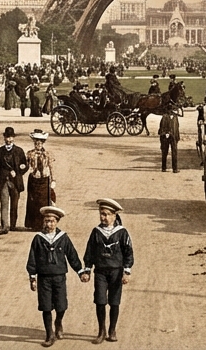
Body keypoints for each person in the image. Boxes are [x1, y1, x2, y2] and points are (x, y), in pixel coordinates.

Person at [26, 205, 83, 347]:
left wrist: (80, 271)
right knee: (45, 306)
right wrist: (32, 277)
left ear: (57, 222)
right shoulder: (38, 239)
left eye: (52, 221)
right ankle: (49, 334)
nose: (49, 224)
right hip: (44, 278)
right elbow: (32, 258)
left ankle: (58, 322)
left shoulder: (63, 238)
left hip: (59, 277)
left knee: (61, 305)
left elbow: (72, 255)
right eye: (46, 221)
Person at [80, 198, 134, 344]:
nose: (104, 217)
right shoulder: (96, 232)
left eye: (107, 214)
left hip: (116, 272)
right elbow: (89, 252)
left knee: (114, 302)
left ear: (114, 215)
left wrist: (126, 272)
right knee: (100, 300)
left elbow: (128, 253)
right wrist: (87, 270)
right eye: (101, 214)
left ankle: (112, 330)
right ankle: (101, 331)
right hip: (100, 272)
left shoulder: (122, 232)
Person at [0, 127, 29, 235]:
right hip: (3, 182)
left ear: (14, 138)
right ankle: (4, 226)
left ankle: (13, 225)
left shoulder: (19, 151)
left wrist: (18, 172)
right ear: (4, 138)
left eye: (11, 137)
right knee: (4, 204)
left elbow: (25, 165)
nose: (9, 140)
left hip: (16, 182)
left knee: (14, 205)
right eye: (7, 137)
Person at [24, 130, 55, 230]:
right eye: (36, 143)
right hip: (34, 180)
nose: (38, 145)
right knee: (33, 202)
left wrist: (53, 180)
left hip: (44, 180)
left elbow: (51, 167)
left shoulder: (47, 154)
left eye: (40, 143)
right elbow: (25, 166)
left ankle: (44, 224)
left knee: (44, 203)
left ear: (43, 143)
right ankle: (34, 224)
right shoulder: (30, 154)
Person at [159, 109, 180, 173]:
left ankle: (175, 169)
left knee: (174, 152)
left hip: (173, 136)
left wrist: (177, 137)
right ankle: (163, 168)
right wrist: (166, 133)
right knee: (164, 152)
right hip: (166, 136)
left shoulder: (175, 117)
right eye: (174, 110)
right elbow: (162, 126)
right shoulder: (165, 117)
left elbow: (177, 128)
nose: (176, 112)